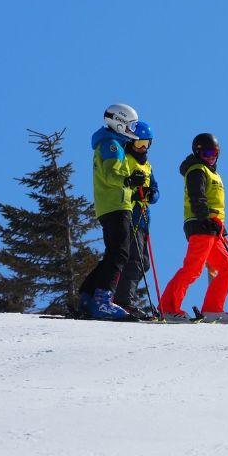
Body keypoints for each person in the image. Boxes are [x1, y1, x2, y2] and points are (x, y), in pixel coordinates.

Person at [157, 133, 228, 323]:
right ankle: (168, 308)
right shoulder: (196, 170)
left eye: (215, 153)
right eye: (207, 153)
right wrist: (205, 218)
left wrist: (220, 227)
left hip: (213, 228)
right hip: (200, 225)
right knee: (193, 268)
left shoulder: (213, 172)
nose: (211, 156)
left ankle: (212, 309)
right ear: (197, 152)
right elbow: (197, 196)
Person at [77, 103, 146, 320]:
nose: (132, 131)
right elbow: (110, 174)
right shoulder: (112, 145)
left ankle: (88, 296)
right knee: (120, 253)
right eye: (130, 125)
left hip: (110, 204)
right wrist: (128, 179)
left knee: (114, 252)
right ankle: (103, 301)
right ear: (119, 122)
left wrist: (132, 186)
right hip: (116, 205)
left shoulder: (111, 143)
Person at [114, 121, 160, 319]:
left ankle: (122, 297)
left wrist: (150, 195)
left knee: (144, 263)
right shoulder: (126, 159)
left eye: (146, 143)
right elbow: (119, 183)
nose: (142, 148)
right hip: (130, 215)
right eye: (138, 143)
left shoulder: (147, 165)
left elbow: (156, 190)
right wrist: (133, 191)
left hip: (143, 218)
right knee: (135, 260)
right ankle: (123, 300)